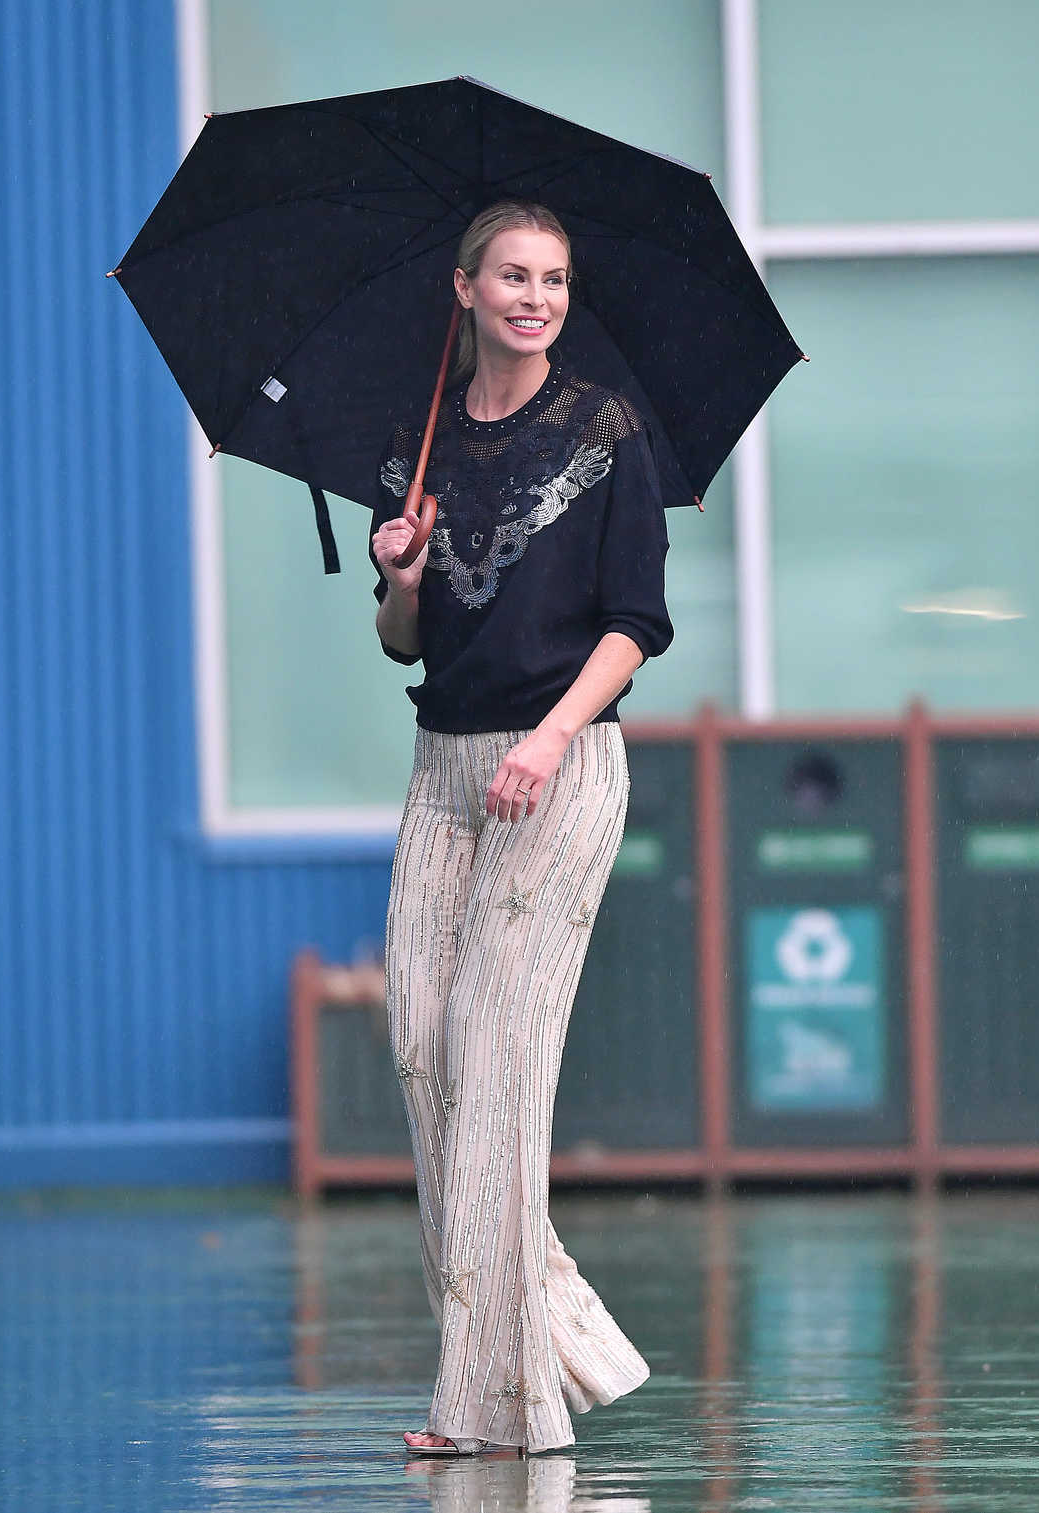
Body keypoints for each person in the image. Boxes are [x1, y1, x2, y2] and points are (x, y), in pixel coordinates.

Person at [369, 200, 674, 1457]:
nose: (534, 296)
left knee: (497, 1066)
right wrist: (399, 571)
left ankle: (498, 1408)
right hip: (443, 767)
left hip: (562, 765)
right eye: (511, 276)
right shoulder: (417, 442)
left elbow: (636, 623)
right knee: (420, 1044)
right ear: (465, 290)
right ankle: (568, 1342)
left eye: (552, 278)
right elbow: (407, 641)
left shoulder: (605, 430)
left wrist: (550, 737)